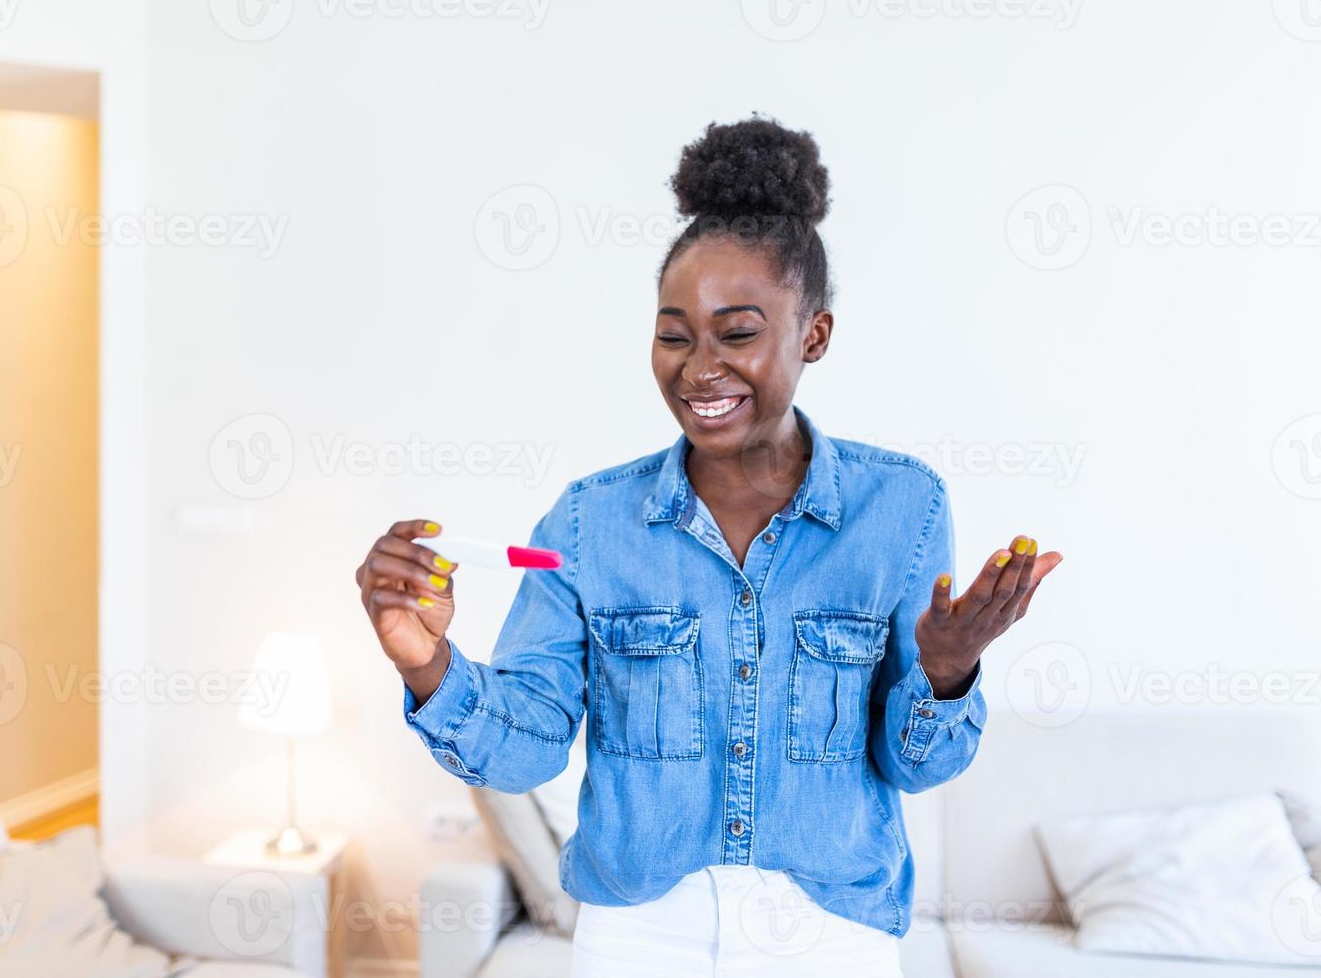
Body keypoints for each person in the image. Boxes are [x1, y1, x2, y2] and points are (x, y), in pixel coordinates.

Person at [356, 115, 1062, 977]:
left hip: (832, 934)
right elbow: (530, 746)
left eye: (736, 333)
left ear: (814, 335)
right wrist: (426, 662)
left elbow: (915, 769)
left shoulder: (903, 508)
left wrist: (948, 672)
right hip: (638, 936)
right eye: (674, 334)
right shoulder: (586, 524)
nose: (698, 368)